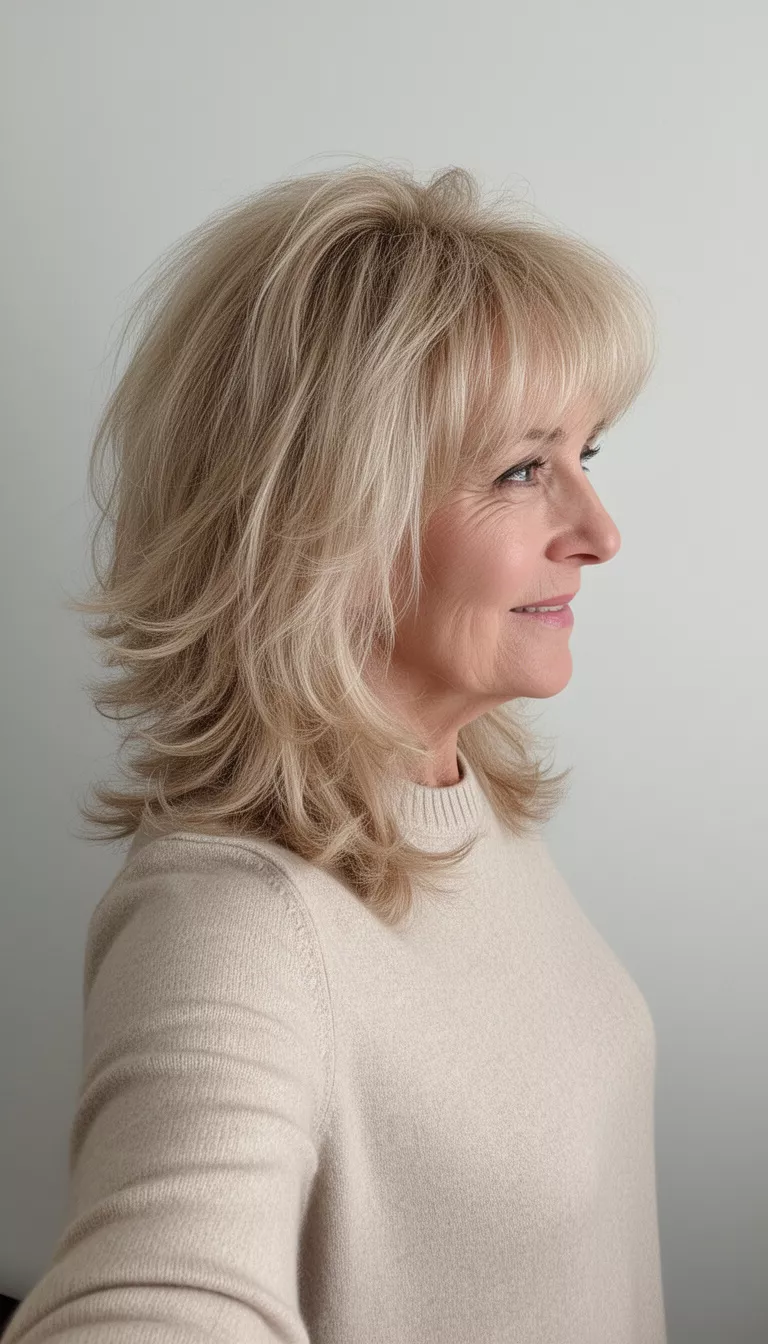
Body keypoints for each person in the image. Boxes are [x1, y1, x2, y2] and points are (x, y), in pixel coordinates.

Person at [4, 162, 666, 1343]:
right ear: (325, 520)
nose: (600, 534)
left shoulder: (462, 802)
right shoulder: (234, 920)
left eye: (587, 456)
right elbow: (151, 1299)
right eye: (523, 470)